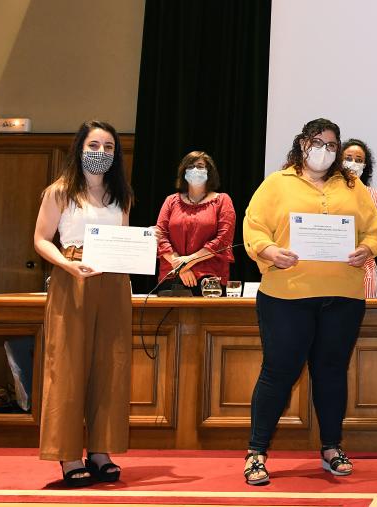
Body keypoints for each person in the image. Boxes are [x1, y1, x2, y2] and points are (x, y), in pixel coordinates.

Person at [242, 118, 377, 485]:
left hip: (342, 297)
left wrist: (366, 248)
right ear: (302, 143)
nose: (324, 150)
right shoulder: (277, 183)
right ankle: (256, 452)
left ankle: (331, 448)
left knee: (332, 372)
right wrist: (269, 250)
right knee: (278, 372)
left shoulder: (352, 187)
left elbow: (375, 228)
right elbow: (253, 225)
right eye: (316, 142)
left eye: (332, 145)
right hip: (286, 296)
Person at [33, 120, 134, 487]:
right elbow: (41, 239)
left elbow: (124, 239)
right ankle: (67, 454)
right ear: (79, 149)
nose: (101, 154)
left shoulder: (121, 194)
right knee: (69, 366)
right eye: (94, 146)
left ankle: (101, 451)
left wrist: (145, 241)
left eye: (108, 148)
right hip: (72, 277)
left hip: (113, 282)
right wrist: (66, 264)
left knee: (112, 365)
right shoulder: (59, 191)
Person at [155, 151, 236, 295]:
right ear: (183, 172)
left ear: (209, 172)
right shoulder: (171, 201)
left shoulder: (223, 200)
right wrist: (181, 267)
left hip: (210, 280)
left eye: (200, 166)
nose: (195, 170)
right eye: (190, 166)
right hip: (172, 276)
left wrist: (189, 261)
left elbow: (223, 240)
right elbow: (160, 236)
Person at [343, 139, 377, 298]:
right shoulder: (326, 191)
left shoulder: (374, 195)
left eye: (359, 160)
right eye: (348, 158)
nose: (353, 163)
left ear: (365, 166)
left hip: (364, 267)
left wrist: (364, 250)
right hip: (331, 269)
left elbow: (376, 234)